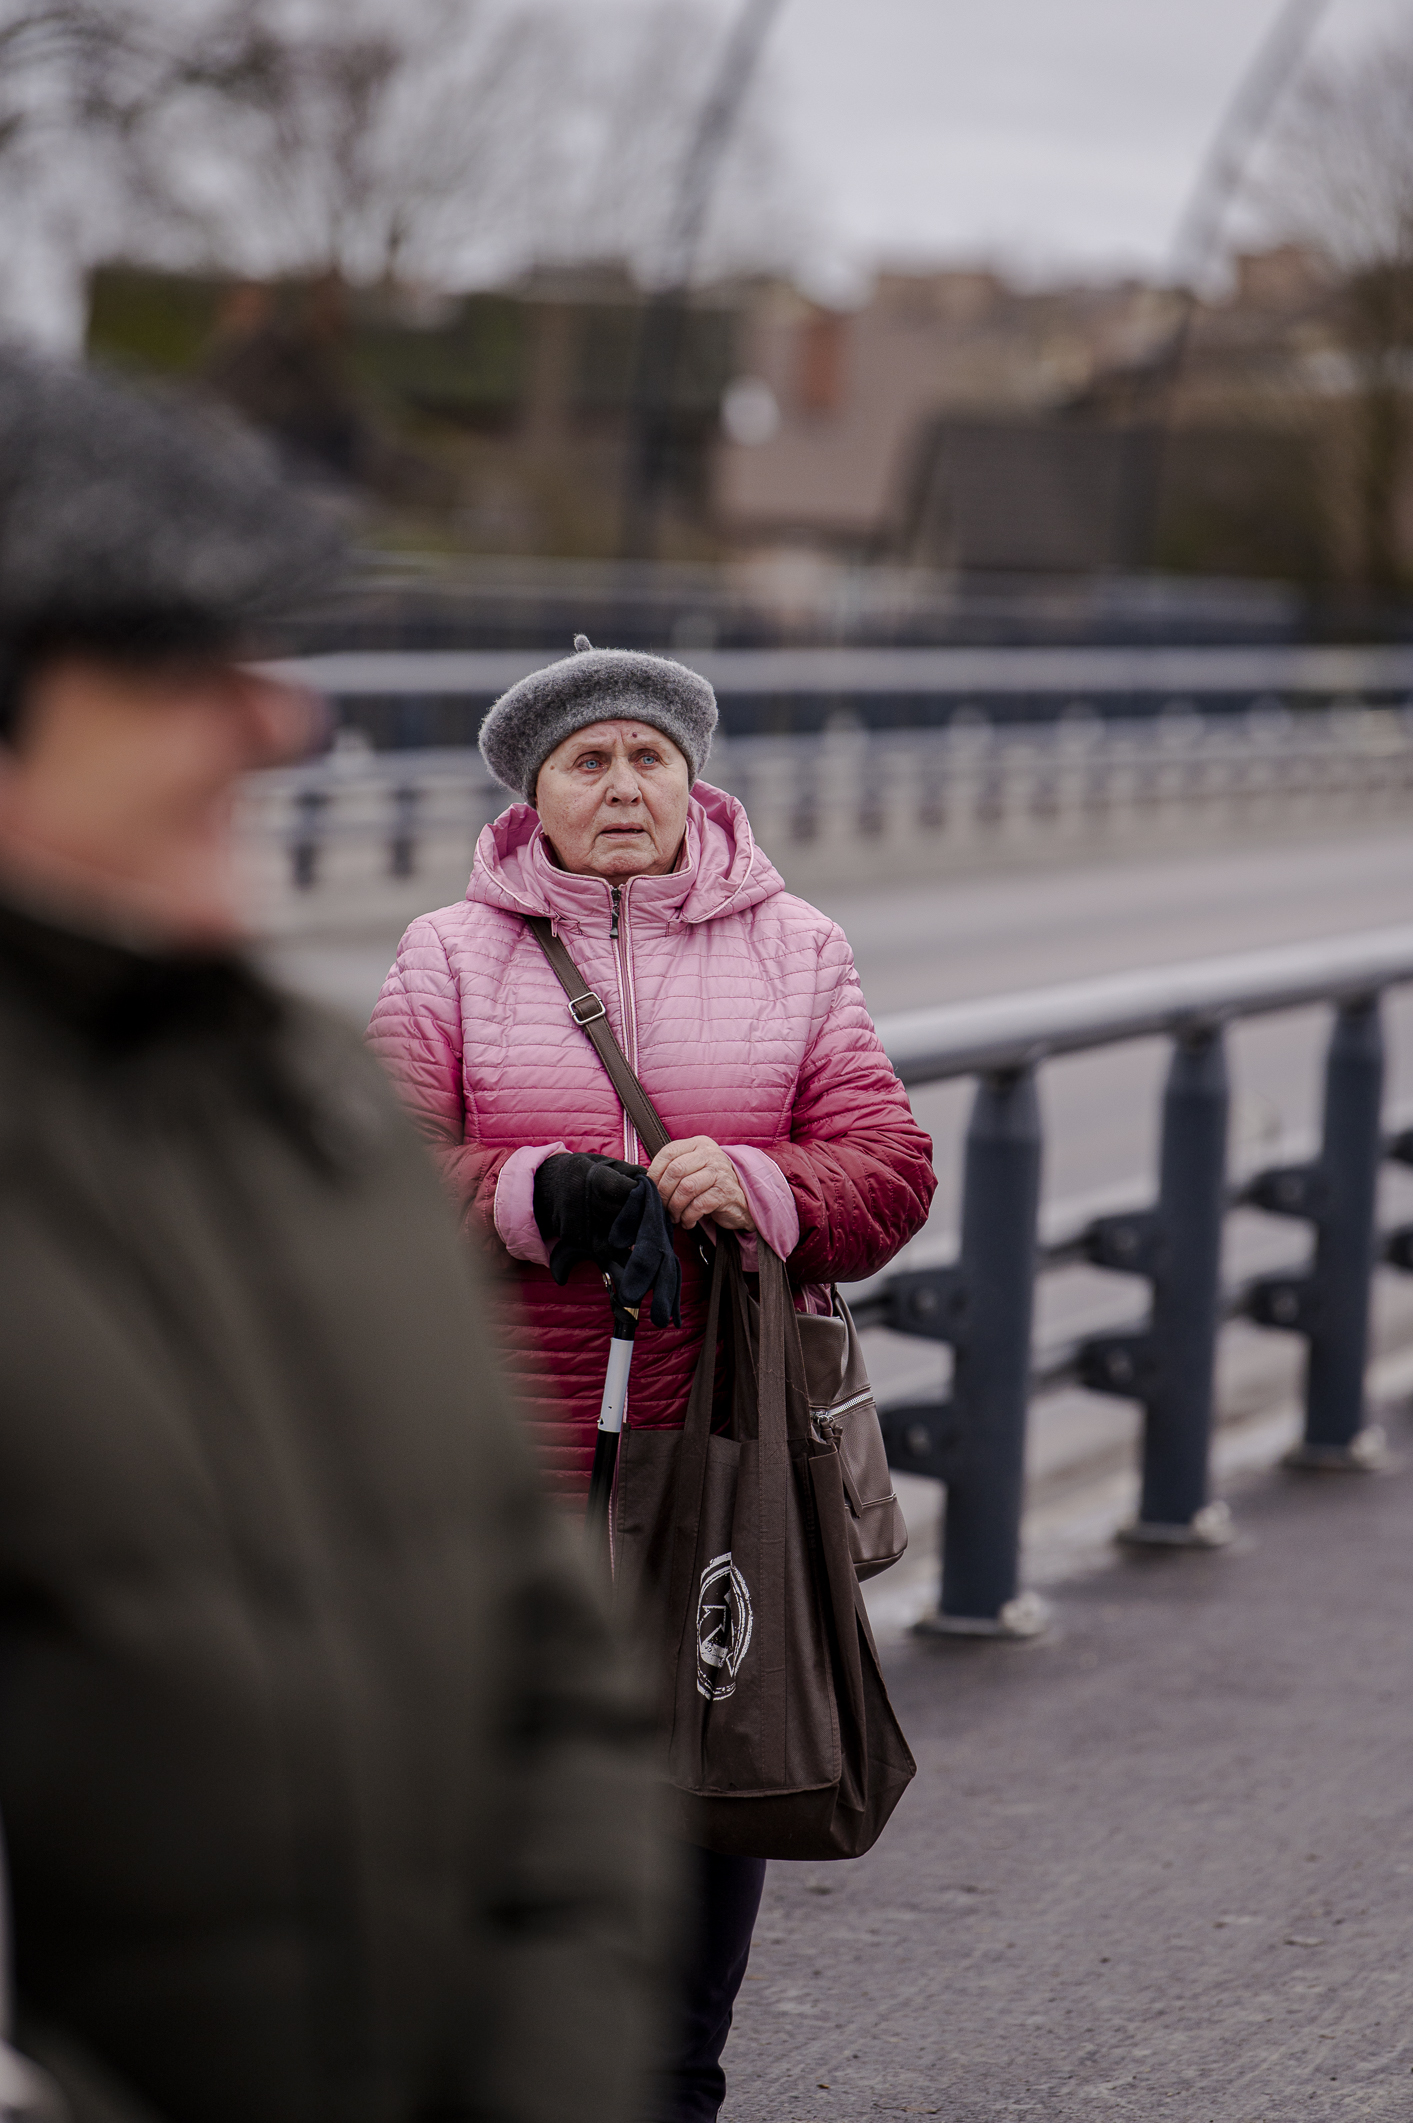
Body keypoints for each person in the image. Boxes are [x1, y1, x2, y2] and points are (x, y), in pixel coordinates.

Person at [0, 350, 663, 2123]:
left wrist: (540, 2081)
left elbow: (553, 1686)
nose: (278, 723)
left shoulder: (310, 1106)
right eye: (173, 665)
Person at [368, 634, 938, 2122]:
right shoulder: (449, 955)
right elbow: (361, 1185)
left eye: (649, 756)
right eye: (587, 761)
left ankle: (675, 2088)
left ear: (693, 780)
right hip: (506, 1457)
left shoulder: (796, 946)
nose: (622, 785)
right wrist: (531, 1193)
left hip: (721, 1455)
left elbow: (887, 1171)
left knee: (708, 1782)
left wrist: (760, 1181)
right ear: (533, 798)